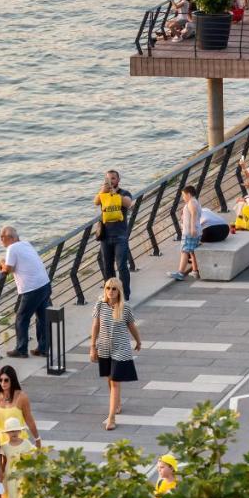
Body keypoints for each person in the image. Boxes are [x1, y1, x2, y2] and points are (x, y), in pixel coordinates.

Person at [90, 277, 143, 430]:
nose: (110, 292)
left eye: (114, 289)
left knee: (114, 381)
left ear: (119, 290)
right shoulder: (100, 305)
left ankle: (111, 418)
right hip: (104, 347)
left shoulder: (125, 308)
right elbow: (95, 326)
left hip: (121, 348)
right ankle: (117, 403)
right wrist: (92, 347)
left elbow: (132, 326)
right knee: (109, 379)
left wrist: (138, 341)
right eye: (108, 288)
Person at [0, 226, 52, 359]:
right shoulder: (26, 244)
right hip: (44, 284)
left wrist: (1, 262)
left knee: (21, 318)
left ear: (10, 238)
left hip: (32, 288)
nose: (1, 241)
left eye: (2, 237)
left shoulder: (12, 248)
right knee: (42, 317)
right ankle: (43, 348)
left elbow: (8, 270)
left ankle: (21, 349)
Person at [93, 173, 133, 300]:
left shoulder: (124, 192)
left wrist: (115, 194)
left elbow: (128, 203)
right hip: (105, 236)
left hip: (120, 235)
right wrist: (103, 191)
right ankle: (110, 294)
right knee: (108, 266)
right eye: (108, 179)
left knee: (121, 266)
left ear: (118, 180)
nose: (111, 181)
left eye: (113, 178)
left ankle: (125, 295)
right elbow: (96, 202)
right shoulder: (103, 194)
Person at [0, 364, 43, 448]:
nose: (3, 383)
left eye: (6, 380)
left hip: (17, 442)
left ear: (12, 380)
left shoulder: (21, 397)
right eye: (0, 380)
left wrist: (37, 438)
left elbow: (29, 419)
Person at [0, 417, 34, 498]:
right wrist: (0, 475)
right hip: (12, 479)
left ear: (20, 431)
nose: (13, 433)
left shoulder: (26, 444)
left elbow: (34, 458)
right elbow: (2, 463)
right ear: (7, 433)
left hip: (25, 478)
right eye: (10, 431)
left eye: (15, 431)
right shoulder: (4, 447)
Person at [172, 184, 202, 280]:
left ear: (188, 194)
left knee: (184, 251)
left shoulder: (191, 202)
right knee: (192, 251)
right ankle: (195, 271)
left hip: (189, 232)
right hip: (196, 231)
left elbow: (193, 214)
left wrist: (192, 228)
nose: (183, 198)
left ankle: (180, 272)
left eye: (184, 196)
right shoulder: (195, 202)